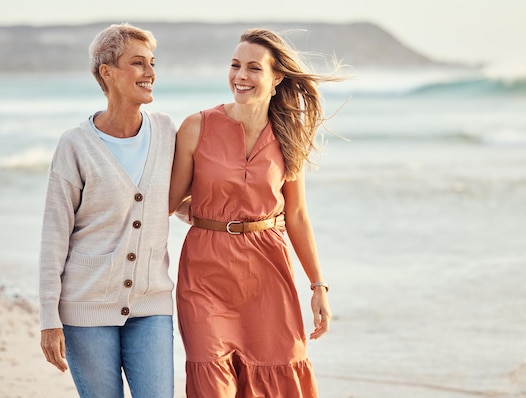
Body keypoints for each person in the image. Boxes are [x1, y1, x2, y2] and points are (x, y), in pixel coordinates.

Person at [168, 27, 346, 397]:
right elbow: (166, 203)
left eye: (253, 68)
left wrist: (318, 286)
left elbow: (296, 216)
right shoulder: (195, 127)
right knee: (211, 382)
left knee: (274, 382)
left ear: (277, 77)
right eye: (235, 66)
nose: (240, 76)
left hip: (267, 269)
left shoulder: (288, 135)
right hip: (205, 272)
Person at [39, 23, 176, 397]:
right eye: (137, 63)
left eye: (151, 62)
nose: (150, 73)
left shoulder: (166, 132)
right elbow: (54, 236)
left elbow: (181, 200)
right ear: (107, 72)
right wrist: (49, 318)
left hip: (152, 304)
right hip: (86, 307)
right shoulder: (75, 145)